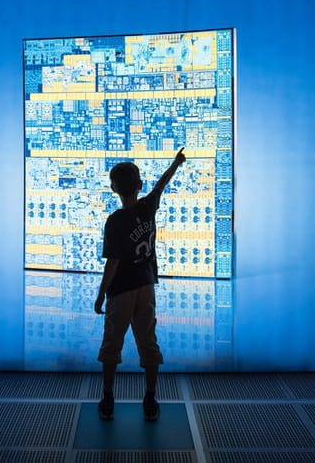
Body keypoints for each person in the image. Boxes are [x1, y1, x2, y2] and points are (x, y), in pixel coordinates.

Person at [94, 146, 186, 422]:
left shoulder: (115, 221)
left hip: (121, 292)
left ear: (113, 188)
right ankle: (149, 398)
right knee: (148, 342)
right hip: (146, 287)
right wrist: (176, 163)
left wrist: (100, 296)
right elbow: (162, 184)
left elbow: (113, 263)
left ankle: (108, 397)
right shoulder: (148, 207)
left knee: (112, 344)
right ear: (139, 185)